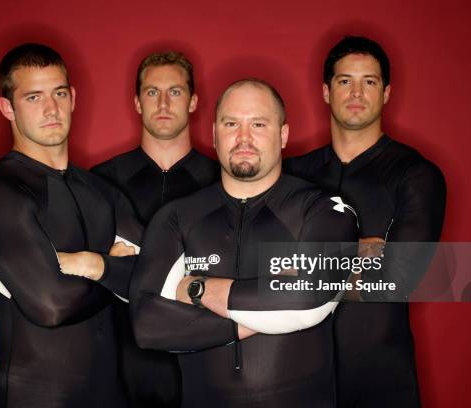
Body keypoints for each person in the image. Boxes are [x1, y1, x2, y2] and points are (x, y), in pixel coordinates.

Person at [129, 79, 358, 407]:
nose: (244, 138)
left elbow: (309, 299)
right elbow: (147, 326)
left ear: (283, 135)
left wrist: (198, 290)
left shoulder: (324, 210)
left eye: (259, 124)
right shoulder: (177, 216)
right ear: (213, 135)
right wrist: (266, 312)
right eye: (231, 124)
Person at [0, 43, 141, 408]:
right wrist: (115, 270)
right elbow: (51, 305)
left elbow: (158, 276)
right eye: (33, 97)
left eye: (59, 93)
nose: (51, 109)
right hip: (34, 395)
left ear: (73, 97)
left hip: (111, 395)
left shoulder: (99, 190)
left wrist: (91, 264)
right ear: (7, 108)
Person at [284, 36, 446, 407]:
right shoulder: (293, 173)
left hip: (380, 380)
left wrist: (300, 261)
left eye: (369, 82)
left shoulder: (416, 175)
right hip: (294, 379)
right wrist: (365, 251)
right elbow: (259, 263)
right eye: (345, 81)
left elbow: (397, 279)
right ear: (326, 91)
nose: (356, 93)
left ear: (386, 93)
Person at [90, 51, 218, 407]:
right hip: (118, 372)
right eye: (152, 92)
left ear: (193, 101)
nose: (163, 102)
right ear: (136, 102)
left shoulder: (223, 184)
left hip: (204, 368)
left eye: (175, 92)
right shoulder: (99, 182)